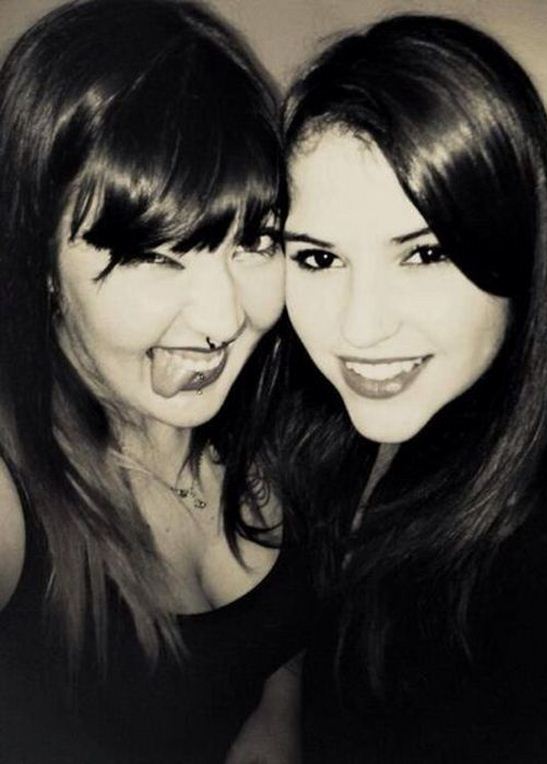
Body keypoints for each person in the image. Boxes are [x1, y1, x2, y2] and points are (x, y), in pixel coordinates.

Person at [0, 1, 310, 762]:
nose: (224, 318)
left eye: (254, 240)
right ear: (38, 261)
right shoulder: (11, 497)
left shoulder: (282, 417)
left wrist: (275, 719)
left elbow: (279, 647)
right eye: (153, 253)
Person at [279, 14, 547, 762]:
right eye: (317, 259)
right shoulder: (327, 426)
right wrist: (282, 703)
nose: (360, 327)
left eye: (425, 253)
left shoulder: (543, 554)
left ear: (519, 245)